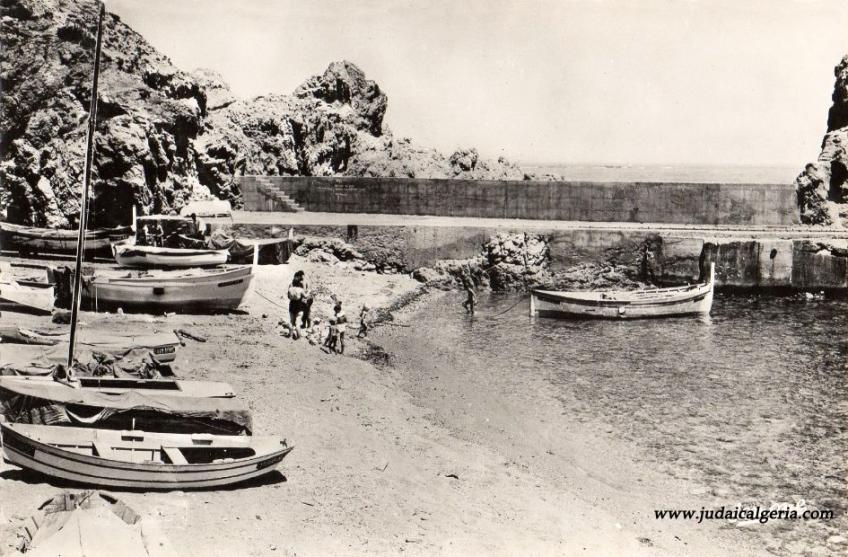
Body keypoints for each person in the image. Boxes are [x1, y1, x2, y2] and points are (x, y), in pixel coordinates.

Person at [287, 274, 306, 338]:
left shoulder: (290, 289)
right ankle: (299, 336)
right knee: (298, 322)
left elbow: (288, 297)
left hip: (292, 305)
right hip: (299, 306)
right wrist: (309, 292)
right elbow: (305, 297)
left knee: (291, 321)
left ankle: (290, 335)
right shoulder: (300, 290)